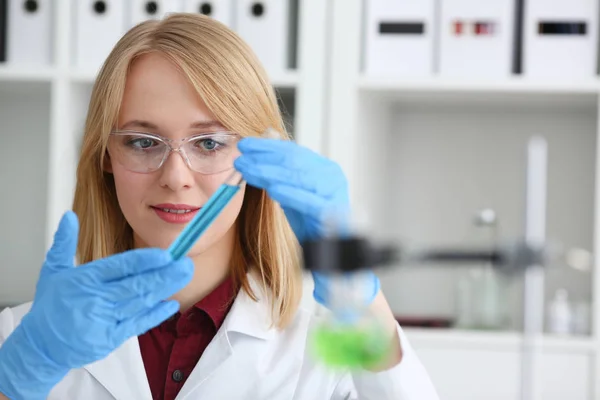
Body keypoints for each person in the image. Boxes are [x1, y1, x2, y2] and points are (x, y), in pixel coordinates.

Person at [0, 13, 439, 400]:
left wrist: (361, 300)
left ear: (256, 160)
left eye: (208, 142)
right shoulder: (24, 341)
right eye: (142, 141)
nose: (175, 176)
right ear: (105, 158)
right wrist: (18, 377)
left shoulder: (325, 353)